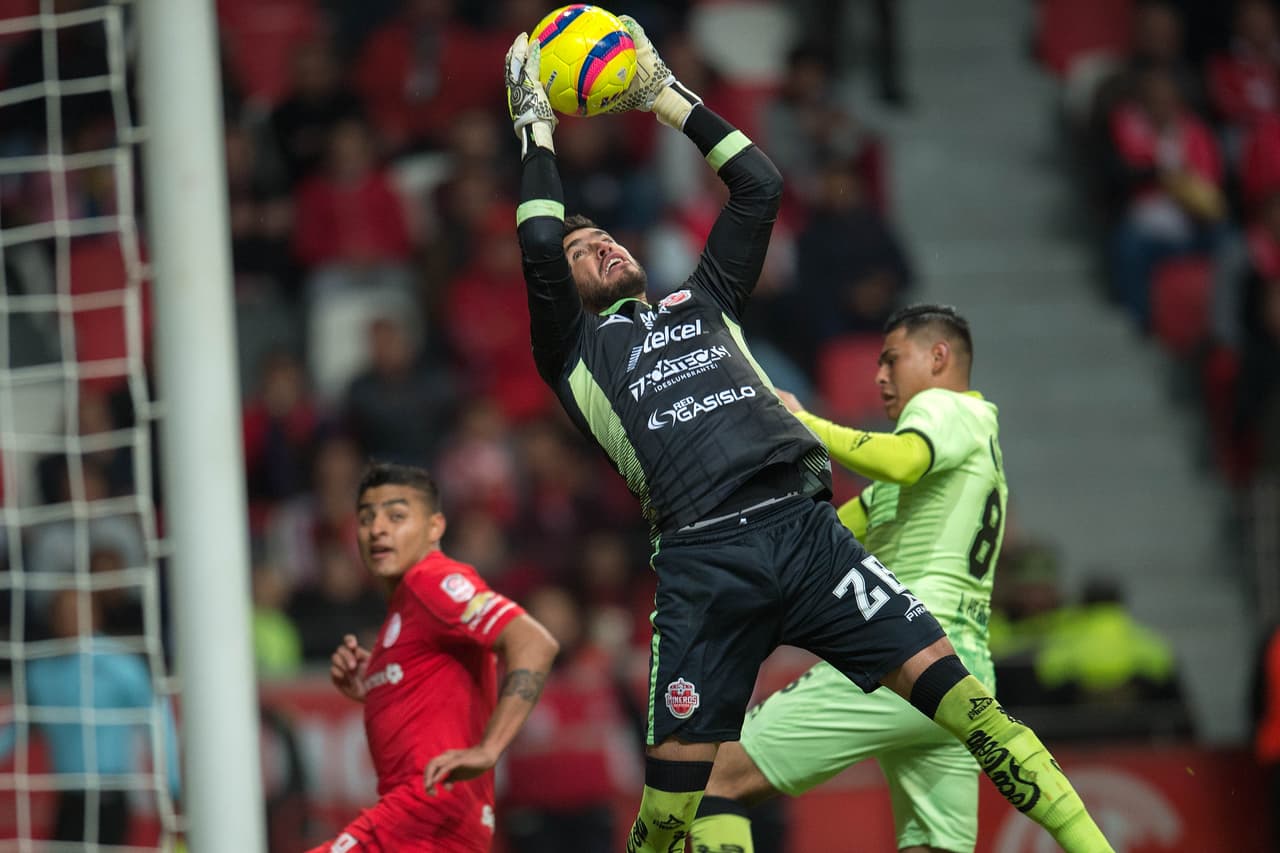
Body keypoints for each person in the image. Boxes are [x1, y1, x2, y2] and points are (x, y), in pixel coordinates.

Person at [505, 21, 1113, 853]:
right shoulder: (574, 355)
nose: (599, 244)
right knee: (669, 811)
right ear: (563, 288)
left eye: (603, 235)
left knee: (974, 710)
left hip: (806, 534)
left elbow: (758, 184)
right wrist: (536, 127)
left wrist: (666, 98)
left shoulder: (701, 303)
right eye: (583, 250)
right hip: (703, 561)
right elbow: (537, 240)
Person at [692, 304, 1006, 853]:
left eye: (892, 360)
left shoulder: (948, 411)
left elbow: (906, 458)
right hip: (965, 669)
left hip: (900, 652)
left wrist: (806, 421)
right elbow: (818, 539)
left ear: (939, 357)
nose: (879, 376)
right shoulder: (919, 486)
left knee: (710, 778)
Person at [306, 462, 559, 853]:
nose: (377, 529)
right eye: (366, 518)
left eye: (396, 516)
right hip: (434, 824)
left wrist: (489, 749)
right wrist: (375, 684)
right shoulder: (405, 607)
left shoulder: (433, 580)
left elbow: (534, 643)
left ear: (435, 527)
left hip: (423, 817)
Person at [0, 588, 180, 845]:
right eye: (64, 612)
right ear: (53, 617)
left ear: (95, 615)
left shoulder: (119, 666)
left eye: (79, 610)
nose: (71, 618)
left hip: (109, 793)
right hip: (67, 794)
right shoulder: (40, 672)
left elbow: (157, 719)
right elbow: (23, 725)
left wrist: (172, 782)